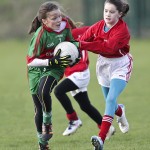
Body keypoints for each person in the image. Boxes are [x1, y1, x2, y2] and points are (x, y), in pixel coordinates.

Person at [77, 0, 133, 149]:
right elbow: (83, 39)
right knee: (112, 103)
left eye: (112, 12)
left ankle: (101, 139)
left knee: (110, 99)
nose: (107, 14)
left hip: (120, 65)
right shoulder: (99, 26)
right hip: (103, 65)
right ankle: (120, 112)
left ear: (120, 14)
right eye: (106, 10)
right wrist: (73, 46)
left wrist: (82, 45)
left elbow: (107, 47)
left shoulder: (122, 31)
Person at [26, 1, 78, 150]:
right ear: (44, 21)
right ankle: (42, 143)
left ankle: (47, 121)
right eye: (54, 18)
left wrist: (76, 56)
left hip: (55, 67)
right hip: (37, 69)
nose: (58, 20)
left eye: (59, 16)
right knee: (37, 107)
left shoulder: (65, 25)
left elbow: (72, 43)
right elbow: (30, 62)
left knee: (44, 91)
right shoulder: (40, 35)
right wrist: (51, 61)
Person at [54, 25, 115, 139]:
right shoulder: (57, 38)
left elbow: (98, 28)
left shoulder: (77, 32)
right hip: (74, 74)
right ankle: (106, 128)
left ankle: (73, 119)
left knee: (58, 91)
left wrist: (111, 34)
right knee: (85, 106)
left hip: (80, 73)